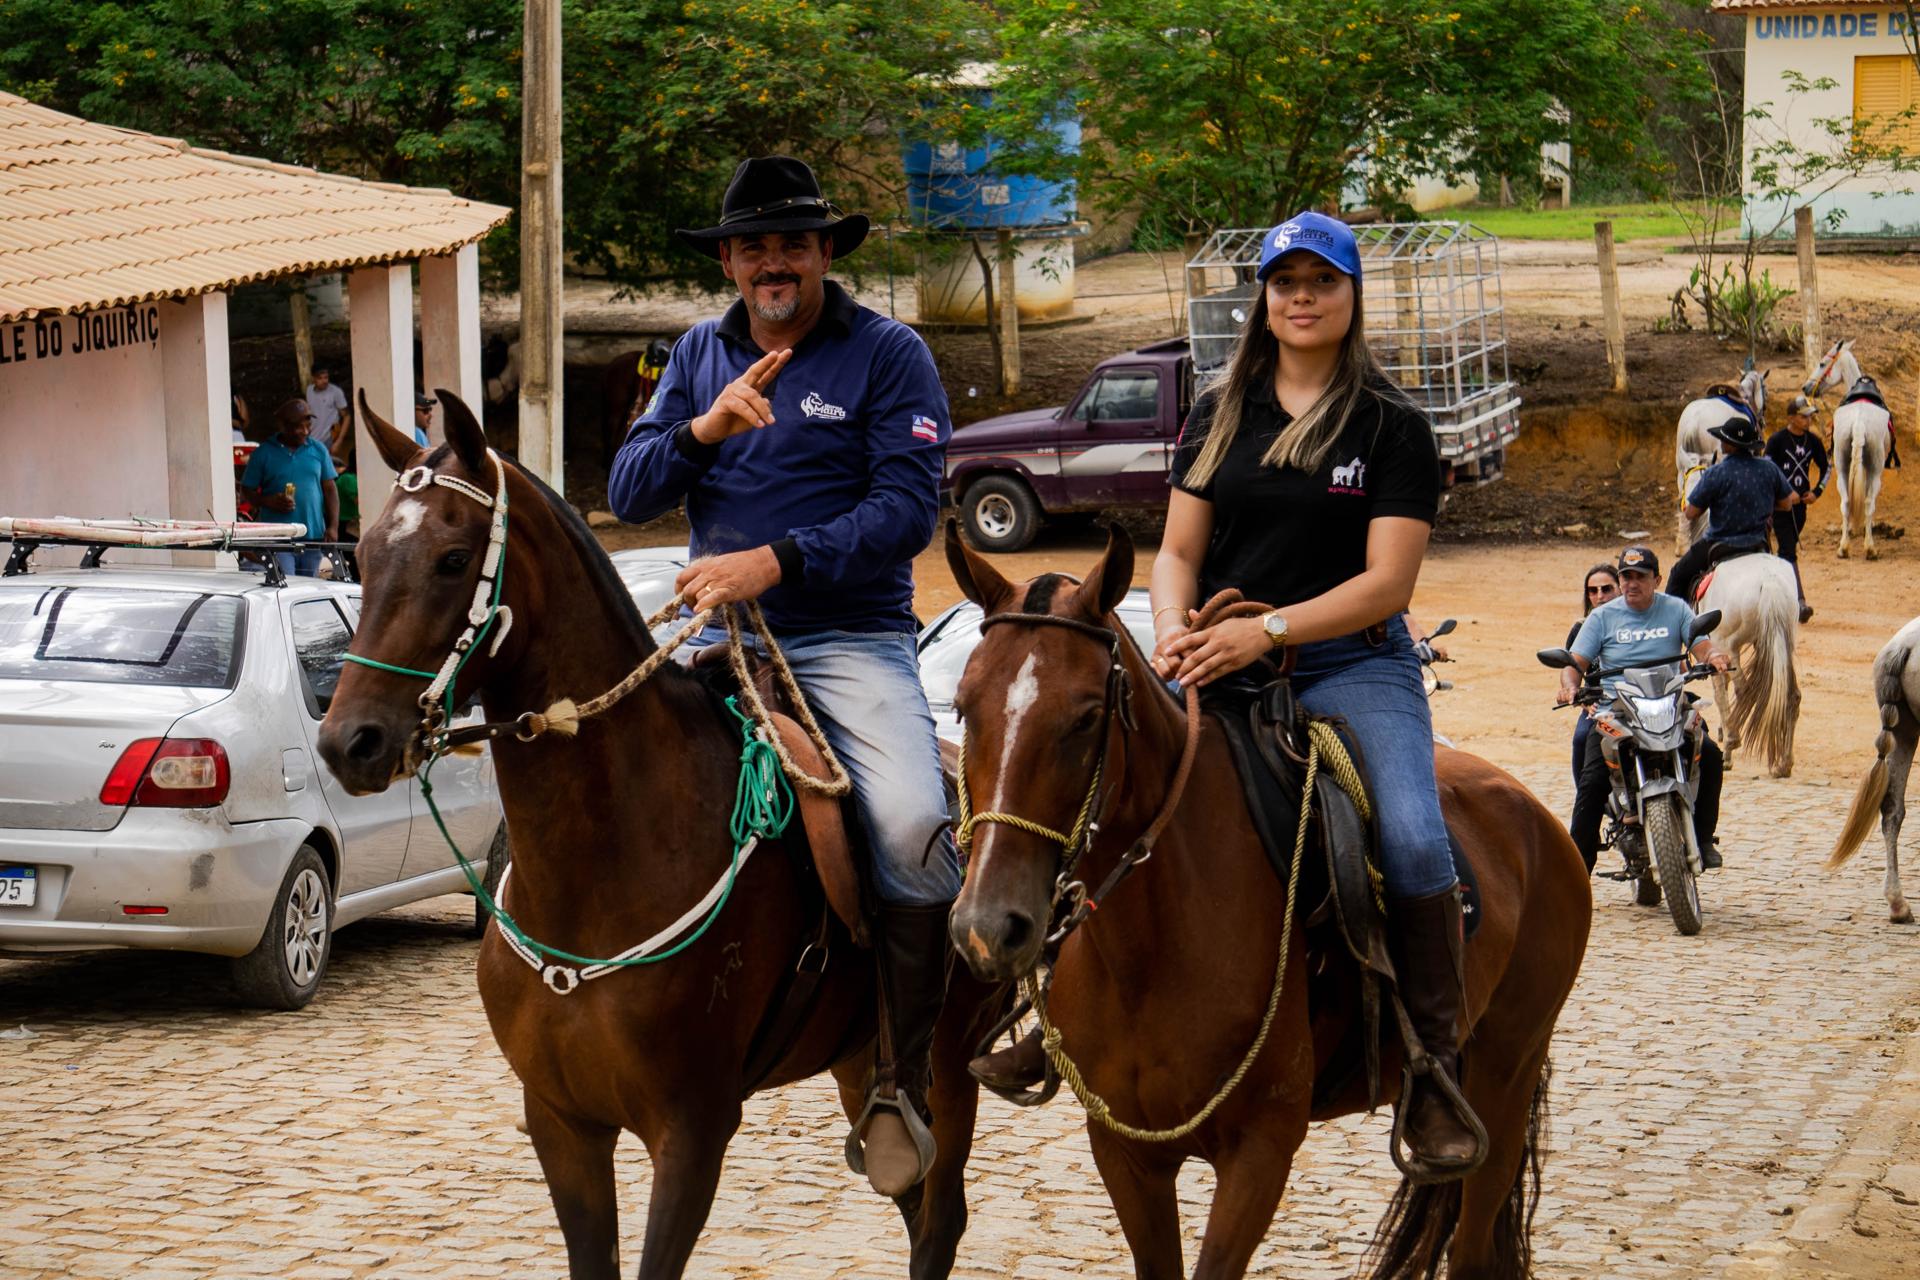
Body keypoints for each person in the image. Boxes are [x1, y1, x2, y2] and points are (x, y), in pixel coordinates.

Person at [606, 155, 955, 1199]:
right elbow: (628, 491)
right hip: (716, 638)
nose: (773, 262)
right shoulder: (696, 354)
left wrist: (777, 560)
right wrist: (701, 430)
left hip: (849, 641)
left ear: (823, 254)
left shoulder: (888, 353)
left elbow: (908, 509)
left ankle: (899, 1078)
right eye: (752, 246)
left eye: (792, 244)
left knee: (912, 828)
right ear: (727, 262)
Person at [1142, 210, 1478, 1181]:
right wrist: (1170, 628)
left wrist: (1272, 629)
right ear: (1263, 297)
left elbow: (1388, 585)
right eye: (1284, 281)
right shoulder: (1219, 409)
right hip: (1220, 656)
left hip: (1352, 665)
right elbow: (1176, 552)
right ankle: (1056, 1012)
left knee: (1412, 837)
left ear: (1351, 294)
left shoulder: (1392, 424)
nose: (1301, 297)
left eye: (1321, 280)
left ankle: (1433, 1066)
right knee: (1105, 776)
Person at [1562, 546, 1730, 872]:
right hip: (1616, 711)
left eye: (1640, 576)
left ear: (1657, 579)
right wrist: (1570, 685)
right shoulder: (1601, 618)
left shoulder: (1676, 609)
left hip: (1670, 704)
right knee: (1592, 780)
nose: (1632, 583)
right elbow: (1574, 663)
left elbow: (1702, 646)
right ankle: (1577, 868)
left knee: (1710, 755)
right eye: (1626, 576)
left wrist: (1713, 657)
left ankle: (1704, 838)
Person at [1665, 415, 1794, 604]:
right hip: (1757, 542)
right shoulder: (1769, 468)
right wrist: (1763, 502)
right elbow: (1787, 504)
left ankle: (1672, 619)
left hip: (1719, 543)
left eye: (1724, 440)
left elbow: (1691, 513)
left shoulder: (1715, 473)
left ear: (1730, 446)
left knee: (1677, 575)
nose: (1721, 443)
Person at [241, 400, 339, 577]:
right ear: (283, 426)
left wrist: (333, 526)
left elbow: (330, 489)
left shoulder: (318, 450)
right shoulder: (264, 453)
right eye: (298, 427)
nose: (305, 431)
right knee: (288, 582)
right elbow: (247, 491)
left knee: (309, 585)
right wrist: (267, 501)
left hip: (313, 536)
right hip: (278, 538)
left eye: (308, 425)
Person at [1766, 395, 1828, 624]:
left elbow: (1826, 468)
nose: (1808, 420)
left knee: (1784, 554)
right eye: (1803, 417)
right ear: (1791, 418)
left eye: (1810, 416)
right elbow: (1766, 469)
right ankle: (1799, 602)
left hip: (1800, 508)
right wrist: (1783, 492)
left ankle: (1776, 600)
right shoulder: (1777, 440)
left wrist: (1817, 492)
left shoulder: (1813, 441)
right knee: (1788, 550)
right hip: (1779, 508)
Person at [1567, 564, 1620, 784]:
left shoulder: (1638, 624)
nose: (1600, 596)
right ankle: (1584, 794)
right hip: (1598, 704)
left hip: (1639, 697)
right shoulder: (1581, 628)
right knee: (1581, 739)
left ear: (1620, 588)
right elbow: (1572, 671)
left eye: (1606, 589)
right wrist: (1582, 699)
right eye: (1593, 591)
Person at [305, 366, 351, 454]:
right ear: (313, 378)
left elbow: (347, 416)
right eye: (320, 378)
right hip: (312, 439)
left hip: (329, 440)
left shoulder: (336, 392)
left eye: (326, 377)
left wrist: (339, 441)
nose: (324, 381)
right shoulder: (309, 390)